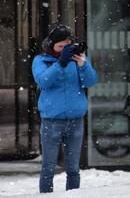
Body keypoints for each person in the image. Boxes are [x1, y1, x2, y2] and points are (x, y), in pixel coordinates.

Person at [32, 24, 98, 193]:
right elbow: (43, 81)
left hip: (76, 121)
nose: (63, 50)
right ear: (51, 45)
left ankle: (73, 195)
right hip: (52, 121)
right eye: (59, 46)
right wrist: (60, 64)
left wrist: (84, 64)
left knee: (74, 168)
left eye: (66, 46)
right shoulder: (41, 60)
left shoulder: (77, 60)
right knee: (48, 167)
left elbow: (90, 82)